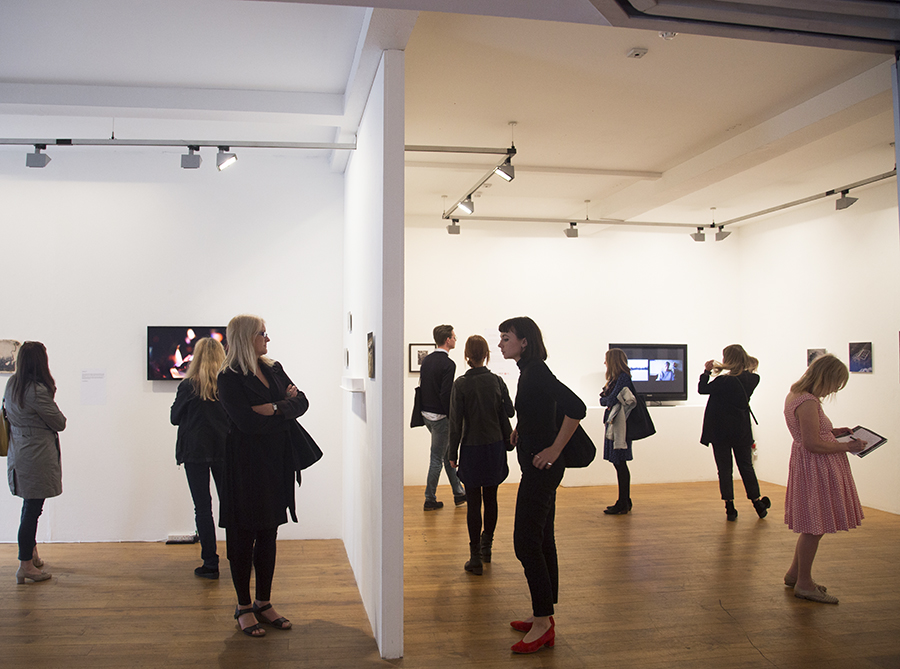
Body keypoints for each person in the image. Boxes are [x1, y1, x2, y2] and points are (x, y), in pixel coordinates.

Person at [217, 315, 308, 637]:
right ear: (245, 337)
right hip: (244, 466)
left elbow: (303, 402)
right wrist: (285, 405)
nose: (267, 339)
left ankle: (264, 602)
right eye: (262, 334)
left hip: (275, 462)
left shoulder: (274, 368)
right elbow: (246, 423)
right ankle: (243, 606)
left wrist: (273, 408)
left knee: (269, 533)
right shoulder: (228, 377)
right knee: (243, 537)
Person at [498, 317, 586, 654]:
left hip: (542, 469)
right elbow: (539, 406)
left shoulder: (536, 371)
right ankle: (544, 616)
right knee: (541, 538)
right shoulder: (529, 371)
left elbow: (575, 407)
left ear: (524, 342)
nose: (501, 344)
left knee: (526, 542)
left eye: (506, 338)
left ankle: (542, 622)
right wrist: (523, 426)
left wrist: (554, 448)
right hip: (537, 467)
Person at [783, 354, 865, 604]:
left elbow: (812, 433)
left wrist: (833, 431)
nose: (835, 390)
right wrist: (848, 447)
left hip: (809, 466)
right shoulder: (808, 401)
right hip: (816, 467)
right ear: (826, 378)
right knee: (813, 528)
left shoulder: (795, 395)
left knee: (812, 523)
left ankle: (795, 574)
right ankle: (804, 584)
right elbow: (813, 444)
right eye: (835, 384)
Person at [448, 335, 514, 576]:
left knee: (473, 502)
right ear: (486, 354)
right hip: (494, 445)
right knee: (492, 497)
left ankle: (475, 555)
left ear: (467, 355)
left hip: (472, 448)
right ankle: (487, 547)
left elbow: (455, 423)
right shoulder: (496, 381)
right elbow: (510, 409)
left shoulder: (461, 384)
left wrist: (452, 452)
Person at [3, 342, 66, 584]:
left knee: (30, 508)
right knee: (32, 510)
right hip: (35, 456)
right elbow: (59, 422)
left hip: (19, 453)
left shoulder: (13, 385)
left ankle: (31, 555)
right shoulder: (36, 390)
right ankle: (25, 566)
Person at [170, 337, 229, 579]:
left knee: (202, 508)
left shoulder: (188, 386)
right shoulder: (227, 385)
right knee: (231, 505)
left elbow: (175, 418)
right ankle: (242, 555)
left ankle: (210, 562)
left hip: (195, 453)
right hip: (225, 451)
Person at [699, 344, 769, 521]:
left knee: (724, 469)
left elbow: (702, 389)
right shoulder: (753, 379)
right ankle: (758, 504)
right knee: (746, 467)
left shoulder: (723, 381)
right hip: (741, 430)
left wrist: (706, 372)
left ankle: (730, 508)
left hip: (719, 431)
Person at [419, 324, 466, 511]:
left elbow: (423, 387)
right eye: (454, 336)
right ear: (447, 340)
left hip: (426, 415)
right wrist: (454, 418)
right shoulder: (448, 364)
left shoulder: (427, 360)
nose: (455, 339)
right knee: (437, 458)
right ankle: (429, 498)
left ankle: (459, 492)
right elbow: (446, 394)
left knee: (447, 456)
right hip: (440, 418)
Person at [599, 348, 637, 515]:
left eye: (607, 359)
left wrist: (605, 399)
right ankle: (624, 500)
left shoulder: (622, 378)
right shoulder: (616, 379)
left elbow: (610, 399)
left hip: (620, 426)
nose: (605, 363)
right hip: (614, 424)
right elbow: (605, 399)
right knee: (618, 463)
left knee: (620, 463)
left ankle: (623, 501)